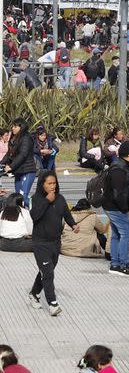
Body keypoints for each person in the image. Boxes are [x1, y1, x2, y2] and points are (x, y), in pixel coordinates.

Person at [28, 170, 79, 316]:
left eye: (54, 183)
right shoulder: (36, 199)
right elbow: (35, 216)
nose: (52, 186)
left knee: (46, 271)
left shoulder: (60, 199)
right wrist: (47, 201)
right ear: (42, 184)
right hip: (40, 243)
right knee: (48, 273)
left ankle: (34, 293)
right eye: (49, 183)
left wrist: (74, 225)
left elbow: (66, 214)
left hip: (55, 243)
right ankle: (53, 303)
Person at [102, 141, 129, 277]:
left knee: (116, 234)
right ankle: (124, 264)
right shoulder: (119, 169)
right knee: (126, 234)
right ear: (128, 155)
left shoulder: (120, 166)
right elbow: (118, 193)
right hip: (116, 207)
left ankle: (115, 264)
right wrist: (125, 208)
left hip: (111, 206)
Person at [1, 118, 37, 208]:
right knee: (18, 199)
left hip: (27, 171)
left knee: (23, 197)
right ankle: (22, 218)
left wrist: (11, 166)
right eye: (12, 126)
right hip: (18, 171)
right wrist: (1, 164)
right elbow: (9, 154)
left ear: (22, 127)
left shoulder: (26, 138)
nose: (13, 128)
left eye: (15, 126)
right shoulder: (13, 138)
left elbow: (23, 154)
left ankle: (42, 210)